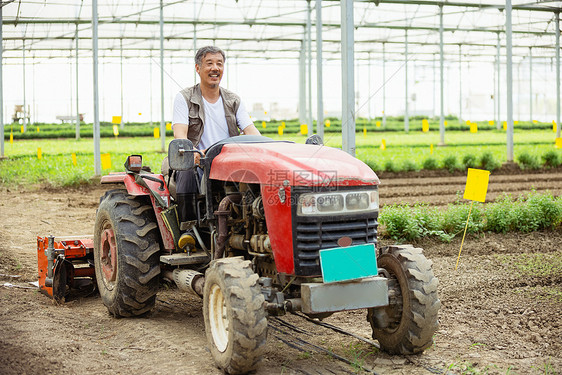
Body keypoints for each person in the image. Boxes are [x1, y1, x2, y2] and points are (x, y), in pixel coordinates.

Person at [171, 46, 260, 224]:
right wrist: (194, 153)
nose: (215, 68)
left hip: (228, 160)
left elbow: (251, 130)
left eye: (219, 64)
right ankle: (188, 228)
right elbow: (180, 136)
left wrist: (268, 147)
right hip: (200, 161)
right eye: (209, 63)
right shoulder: (184, 98)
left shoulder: (233, 100)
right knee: (186, 169)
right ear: (198, 68)